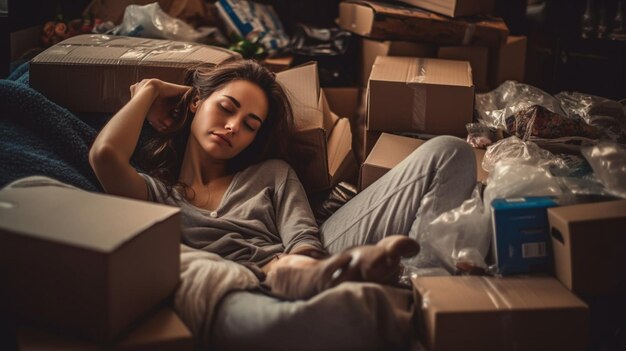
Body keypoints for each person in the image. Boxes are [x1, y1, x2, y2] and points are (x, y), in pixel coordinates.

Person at [89, 59, 477, 350]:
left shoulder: (270, 172)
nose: (233, 127)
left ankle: (423, 296)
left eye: (250, 124)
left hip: (308, 263)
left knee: (449, 152)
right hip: (235, 290)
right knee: (334, 317)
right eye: (226, 108)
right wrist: (152, 90)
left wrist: (301, 265)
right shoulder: (156, 193)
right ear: (195, 102)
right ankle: (354, 296)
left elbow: (304, 238)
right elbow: (105, 156)